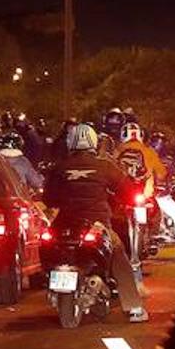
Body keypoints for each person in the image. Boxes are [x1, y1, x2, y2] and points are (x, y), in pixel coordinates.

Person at [43, 123, 148, 323]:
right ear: (93, 142)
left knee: (49, 245)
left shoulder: (59, 168)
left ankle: (53, 287)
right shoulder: (105, 166)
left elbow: (49, 198)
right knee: (119, 259)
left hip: (65, 226)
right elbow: (127, 191)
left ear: (70, 142)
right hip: (97, 224)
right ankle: (134, 308)